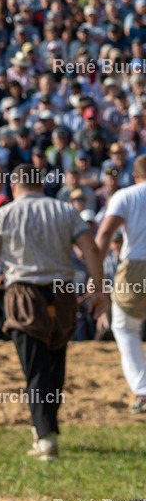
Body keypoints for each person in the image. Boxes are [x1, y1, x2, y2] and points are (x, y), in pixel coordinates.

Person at [0, 164, 107, 460]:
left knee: (36, 369)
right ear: (42, 185)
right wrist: (99, 291)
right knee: (54, 364)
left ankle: (45, 438)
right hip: (64, 294)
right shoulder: (66, 211)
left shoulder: (0, 215)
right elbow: (92, 251)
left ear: (13, 186)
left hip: (25, 296)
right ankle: (45, 427)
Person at [94, 155, 146, 413]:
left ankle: (144, 392)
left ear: (135, 176)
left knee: (125, 327)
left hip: (136, 264)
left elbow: (104, 235)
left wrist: (96, 277)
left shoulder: (126, 195)